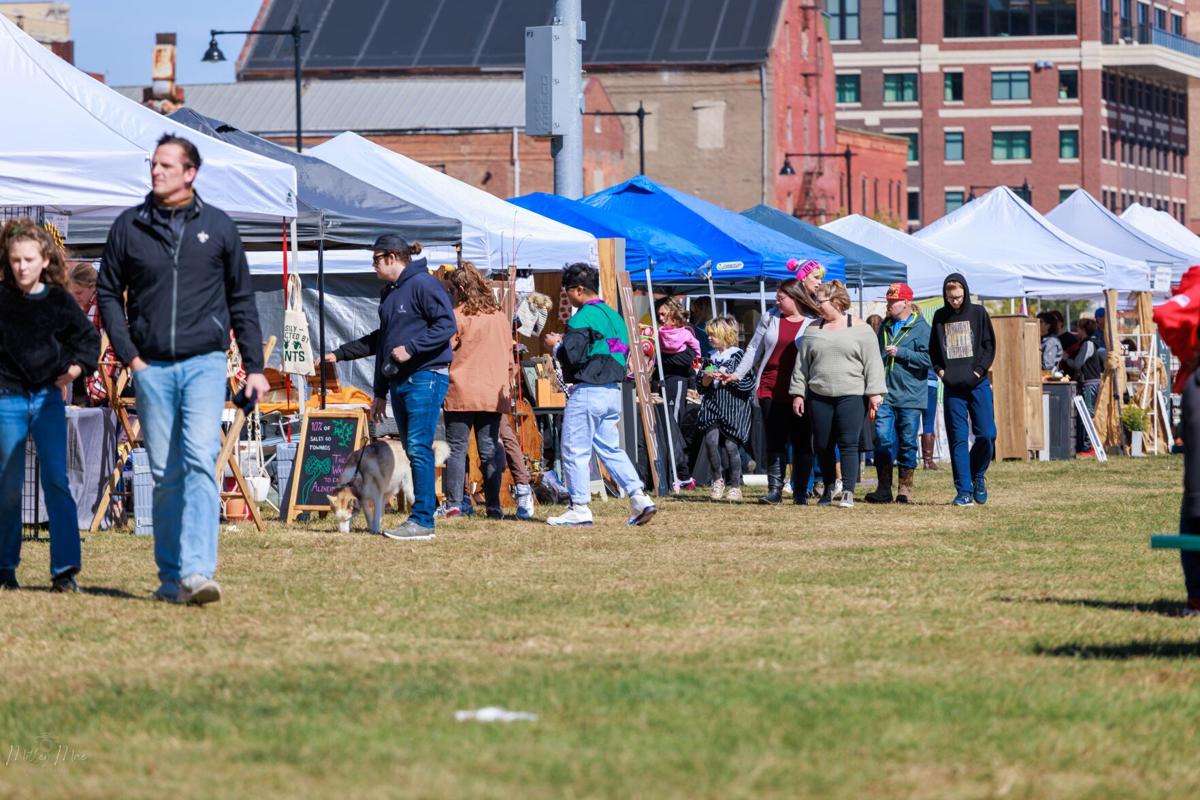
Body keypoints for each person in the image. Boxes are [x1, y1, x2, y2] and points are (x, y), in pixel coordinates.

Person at [98, 134, 268, 605]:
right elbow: (108, 293)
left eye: (167, 165)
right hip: (150, 367)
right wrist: (131, 355)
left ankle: (197, 572)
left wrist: (255, 367)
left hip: (204, 363)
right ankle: (170, 575)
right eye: (154, 164)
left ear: (191, 172)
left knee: (197, 460)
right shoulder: (129, 227)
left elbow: (242, 300)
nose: (157, 171)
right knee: (164, 471)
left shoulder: (218, 227)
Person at [325, 235, 456, 540]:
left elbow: (446, 325)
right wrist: (345, 358)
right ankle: (422, 517)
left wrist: (412, 348)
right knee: (414, 449)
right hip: (399, 381)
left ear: (391, 257)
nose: (372, 265)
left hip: (425, 375)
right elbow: (382, 341)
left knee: (419, 448)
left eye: (375, 259)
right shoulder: (390, 294)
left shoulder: (424, 284)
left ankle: (423, 520)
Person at [0, 221, 99, 592]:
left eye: (28, 260)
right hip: (7, 398)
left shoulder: (59, 301)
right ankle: (5, 567)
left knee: (57, 479)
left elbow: (88, 341)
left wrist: (72, 371)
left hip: (47, 399)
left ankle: (65, 570)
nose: (21, 267)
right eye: (15, 260)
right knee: (7, 485)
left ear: (44, 260)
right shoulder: (3, 298)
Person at [542, 263, 656, 527]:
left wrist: (557, 345)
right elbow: (613, 350)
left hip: (588, 391)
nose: (567, 297)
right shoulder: (615, 317)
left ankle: (579, 507)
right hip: (611, 391)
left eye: (567, 291)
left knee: (574, 449)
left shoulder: (581, 317)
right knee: (610, 448)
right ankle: (639, 497)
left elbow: (574, 356)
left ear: (579, 289)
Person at [439, 263, 533, 521]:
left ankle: (455, 504)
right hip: (493, 392)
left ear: (459, 289)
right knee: (489, 449)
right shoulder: (499, 317)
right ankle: (493, 505)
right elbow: (509, 357)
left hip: (461, 390)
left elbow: (445, 352)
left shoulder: (457, 316)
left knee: (457, 449)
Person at [725, 273, 823, 505]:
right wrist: (737, 374)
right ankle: (775, 490)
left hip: (800, 388)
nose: (777, 302)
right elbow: (753, 349)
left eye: (781, 298)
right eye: (776, 298)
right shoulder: (770, 317)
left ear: (795, 297)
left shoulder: (813, 321)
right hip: (770, 385)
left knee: (801, 440)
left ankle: (800, 491)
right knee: (775, 439)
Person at [790, 280, 885, 508]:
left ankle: (848, 492)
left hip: (851, 395)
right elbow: (802, 365)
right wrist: (798, 393)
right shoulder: (812, 330)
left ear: (835, 302)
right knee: (822, 444)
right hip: (819, 395)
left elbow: (873, 363)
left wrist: (874, 393)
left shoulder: (861, 329)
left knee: (848, 444)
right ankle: (830, 485)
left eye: (820, 300)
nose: (816, 305)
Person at [927, 273, 996, 507]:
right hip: (952, 388)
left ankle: (978, 475)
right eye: (950, 298)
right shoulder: (939, 317)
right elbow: (934, 351)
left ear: (965, 292)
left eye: (957, 297)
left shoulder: (978, 313)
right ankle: (964, 490)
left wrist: (978, 371)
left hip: (978, 384)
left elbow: (989, 346)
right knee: (957, 439)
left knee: (987, 434)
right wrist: (942, 372)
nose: (954, 302)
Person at [865, 283, 931, 504]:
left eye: (893, 301)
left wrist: (901, 352)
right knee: (882, 439)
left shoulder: (922, 329)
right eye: (888, 301)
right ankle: (884, 488)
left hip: (911, 395)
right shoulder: (884, 326)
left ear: (907, 303)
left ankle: (905, 488)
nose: (889, 305)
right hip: (885, 393)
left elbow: (929, 360)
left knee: (907, 442)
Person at [697, 316, 755, 501]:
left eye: (713, 335)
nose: (710, 338)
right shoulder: (710, 357)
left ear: (725, 335)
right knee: (711, 441)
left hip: (733, 405)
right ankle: (717, 480)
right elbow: (702, 385)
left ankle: (736, 486)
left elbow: (748, 381)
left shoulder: (738, 355)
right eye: (709, 335)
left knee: (731, 446)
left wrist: (728, 376)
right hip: (712, 404)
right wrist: (707, 376)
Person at [654, 298, 698, 492]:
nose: (660, 318)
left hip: (676, 383)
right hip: (660, 383)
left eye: (664, 314)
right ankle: (673, 473)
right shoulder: (659, 333)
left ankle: (682, 474)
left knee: (673, 428)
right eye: (659, 314)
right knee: (664, 428)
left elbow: (686, 359)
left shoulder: (685, 333)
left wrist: (662, 357)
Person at [1065, 317, 1105, 458]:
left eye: (1079, 329)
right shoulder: (1089, 343)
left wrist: (1066, 359)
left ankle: (1090, 447)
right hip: (1090, 382)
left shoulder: (1088, 344)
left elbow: (1077, 363)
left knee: (1087, 415)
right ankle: (1087, 447)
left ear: (1083, 330)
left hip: (1090, 383)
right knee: (1086, 415)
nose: (1077, 332)